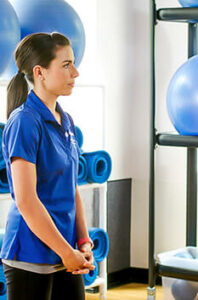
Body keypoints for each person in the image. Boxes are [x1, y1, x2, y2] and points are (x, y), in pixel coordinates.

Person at [0, 32, 95, 300]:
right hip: (31, 256)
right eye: (66, 65)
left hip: (66, 253)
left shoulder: (66, 121)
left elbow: (71, 188)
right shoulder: (24, 122)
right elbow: (27, 200)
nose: (75, 72)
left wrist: (83, 242)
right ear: (39, 72)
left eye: (73, 63)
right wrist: (67, 253)